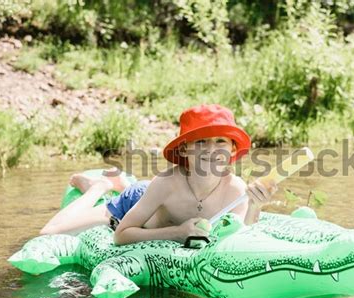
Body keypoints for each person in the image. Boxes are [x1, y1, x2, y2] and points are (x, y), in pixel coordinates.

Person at [40, 104, 278, 245]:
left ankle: (121, 181)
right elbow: (121, 235)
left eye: (220, 142)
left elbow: (238, 237)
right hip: (137, 202)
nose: (212, 149)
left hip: (154, 200)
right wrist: (178, 232)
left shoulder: (235, 190)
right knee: (48, 234)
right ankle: (100, 187)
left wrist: (255, 206)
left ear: (232, 149)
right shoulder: (167, 183)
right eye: (201, 141)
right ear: (185, 148)